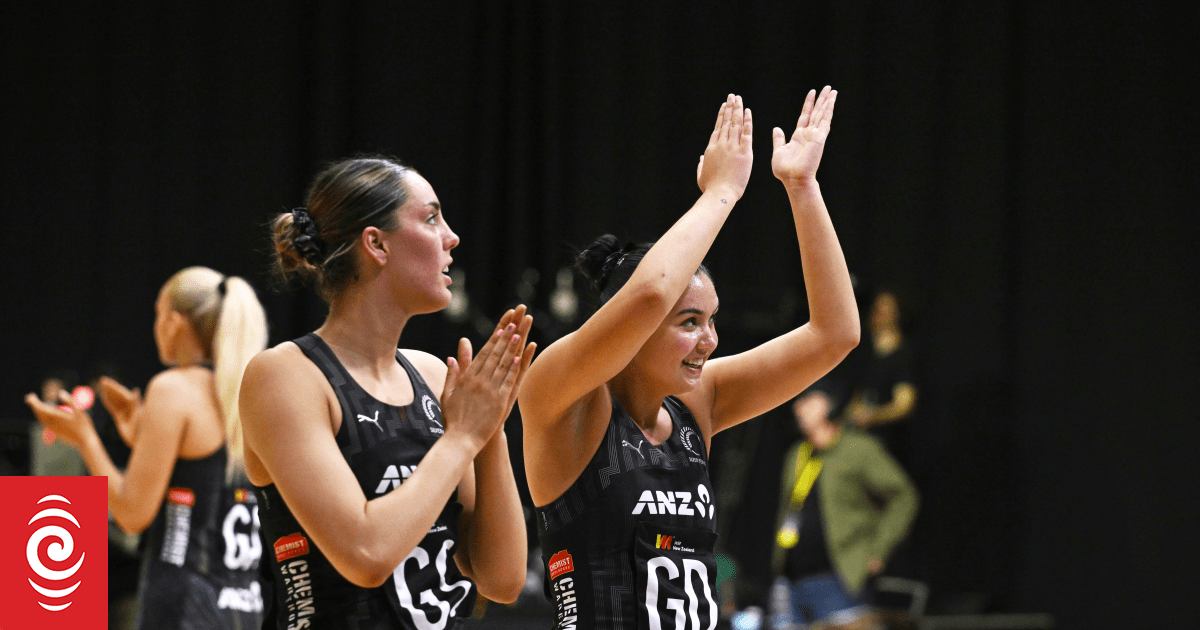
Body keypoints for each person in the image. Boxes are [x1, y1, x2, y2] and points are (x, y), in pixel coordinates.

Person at [519, 89, 860, 629]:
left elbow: (835, 334)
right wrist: (721, 191)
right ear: (631, 328)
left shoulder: (695, 406)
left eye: (712, 320)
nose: (710, 340)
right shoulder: (563, 398)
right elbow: (652, 293)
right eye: (689, 323)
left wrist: (802, 187)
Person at [240, 157, 533, 630]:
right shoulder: (286, 374)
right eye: (432, 217)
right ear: (376, 244)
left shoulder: (433, 374)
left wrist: (490, 430)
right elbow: (365, 554)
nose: (452, 237)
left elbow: (502, 580)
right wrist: (461, 438)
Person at [26, 266, 270, 630]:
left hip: (184, 605)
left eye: (157, 314)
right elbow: (207, 484)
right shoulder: (252, 391)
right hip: (246, 607)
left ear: (173, 322)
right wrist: (142, 439)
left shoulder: (174, 388)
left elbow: (131, 513)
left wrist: (84, 438)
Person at [771, 387, 918, 629]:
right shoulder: (796, 454)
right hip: (792, 581)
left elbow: (904, 496)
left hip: (840, 579)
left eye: (808, 400)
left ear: (830, 404)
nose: (798, 407)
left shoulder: (858, 449)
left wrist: (878, 551)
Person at [843, 290, 917, 465]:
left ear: (897, 315)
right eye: (876, 309)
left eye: (884, 310)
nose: (878, 314)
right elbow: (858, 394)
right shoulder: (865, 354)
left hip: (886, 445)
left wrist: (871, 416)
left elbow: (904, 405)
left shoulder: (903, 357)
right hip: (857, 439)